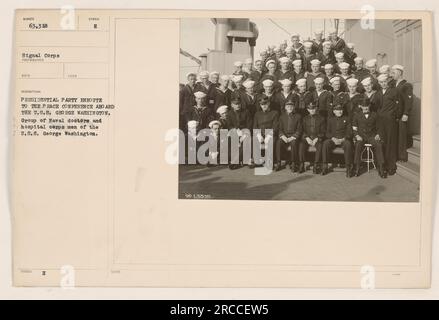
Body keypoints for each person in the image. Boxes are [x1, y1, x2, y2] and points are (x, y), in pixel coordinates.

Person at [352, 98, 386, 178]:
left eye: (367, 106)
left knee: (379, 145)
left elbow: (380, 127)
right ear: (361, 106)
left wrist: (378, 134)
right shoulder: (357, 115)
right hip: (361, 136)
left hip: (371, 136)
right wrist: (356, 135)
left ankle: (381, 168)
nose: (366, 108)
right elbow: (354, 128)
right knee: (358, 145)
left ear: (369, 106)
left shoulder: (375, 115)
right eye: (364, 106)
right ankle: (356, 167)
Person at [375, 73, 399, 176]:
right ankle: (382, 166)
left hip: (390, 121)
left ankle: (391, 167)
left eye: (385, 82)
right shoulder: (378, 93)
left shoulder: (394, 92)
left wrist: (394, 116)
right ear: (379, 83)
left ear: (387, 82)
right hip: (381, 122)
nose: (383, 84)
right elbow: (376, 107)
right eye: (381, 82)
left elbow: (398, 106)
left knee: (391, 143)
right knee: (382, 142)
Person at [322, 104, 353, 177]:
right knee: (325, 143)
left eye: (341, 110)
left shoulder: (347, 118)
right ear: (334, 111)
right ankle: (325, 166)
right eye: (337, 110)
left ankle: (348, 168)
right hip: (333, 139)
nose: (340, 111)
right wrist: (333, 138)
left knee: (348, 144)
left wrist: (343, 138)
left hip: (343, 139)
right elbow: (327, 132)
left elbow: (350, 132)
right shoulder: (330, 120)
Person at [391, 64, 414, 162]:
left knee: (402, 136)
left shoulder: (406, 85)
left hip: (402, 116)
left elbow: (409, 101)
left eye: (394, 73)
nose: (392, 75)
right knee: (396, 136)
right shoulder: (394, 84)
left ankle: (402, 157)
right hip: (395, 115)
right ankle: (396, 156)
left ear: (399, 73)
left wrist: (406, 113)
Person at [298, 101, 326, 174]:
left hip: (317, 138)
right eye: (310, 109)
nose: (312, 110)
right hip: (307, 138)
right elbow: (302, 130)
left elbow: (323, 131)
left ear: (316, 109)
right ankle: (302, 164)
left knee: (320, 145)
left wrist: (317, 138)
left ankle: (316, 165)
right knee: (301, 145)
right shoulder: (304, 118)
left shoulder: (321, 118)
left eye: (313, 108)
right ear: (308, 109)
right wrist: (307, 138)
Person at [275, 99, 302, 172]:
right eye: (288, 106)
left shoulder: (298, 116)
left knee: (294, 143)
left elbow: (299, 129)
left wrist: (293, 137)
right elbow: (280, 129)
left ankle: (293, 163)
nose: (289, 108)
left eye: (291, 106)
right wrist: (282, 136)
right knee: (278, 143)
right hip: (284, 136)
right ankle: (278, 162)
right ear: (285, 107)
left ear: (293, 107)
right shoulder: (282, 116)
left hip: (293, 136)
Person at [253, 95, 280, 168]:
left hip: (270, 134)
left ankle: (269, 161)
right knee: (254, 139)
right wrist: (258, 135)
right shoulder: (257, 114)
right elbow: (255, 126)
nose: (264, 106)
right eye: (262, 104)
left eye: (265, 103)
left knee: (272, 141)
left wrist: (269, 135)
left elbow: (275, 126)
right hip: (260, 134)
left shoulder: (275, 113)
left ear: (269, 103)